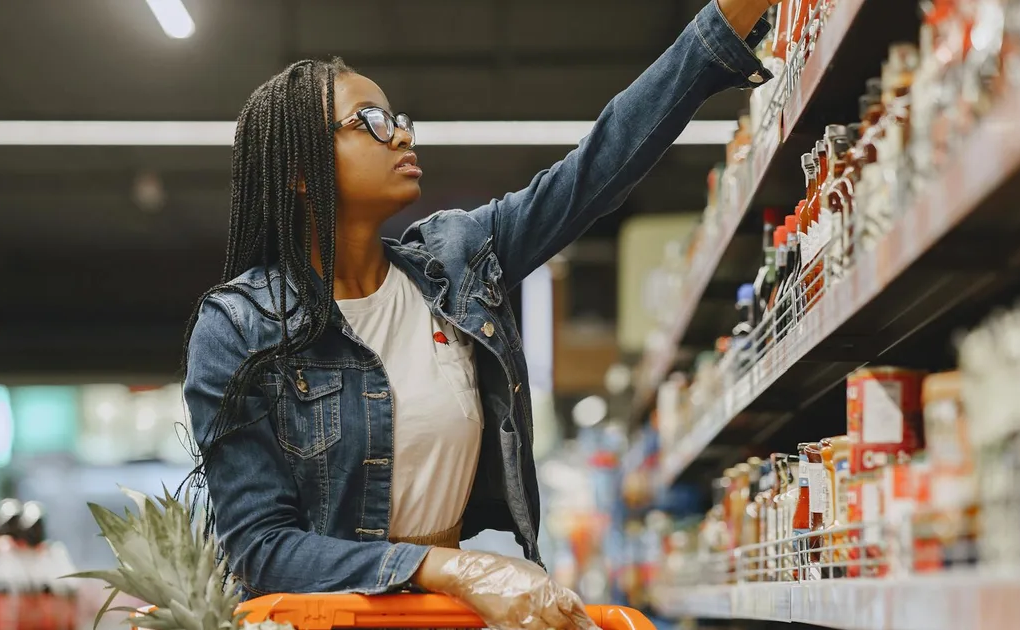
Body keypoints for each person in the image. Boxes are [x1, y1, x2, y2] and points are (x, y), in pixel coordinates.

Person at [182, 0, 781, 628]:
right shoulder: (240, 329)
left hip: (441, 617)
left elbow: (596, 166)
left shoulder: (453, 263)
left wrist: (723, 25)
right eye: (373, 122)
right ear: (302, 169)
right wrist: (453, 569)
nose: (404, 134)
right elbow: (261, 548)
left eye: (401, 118)